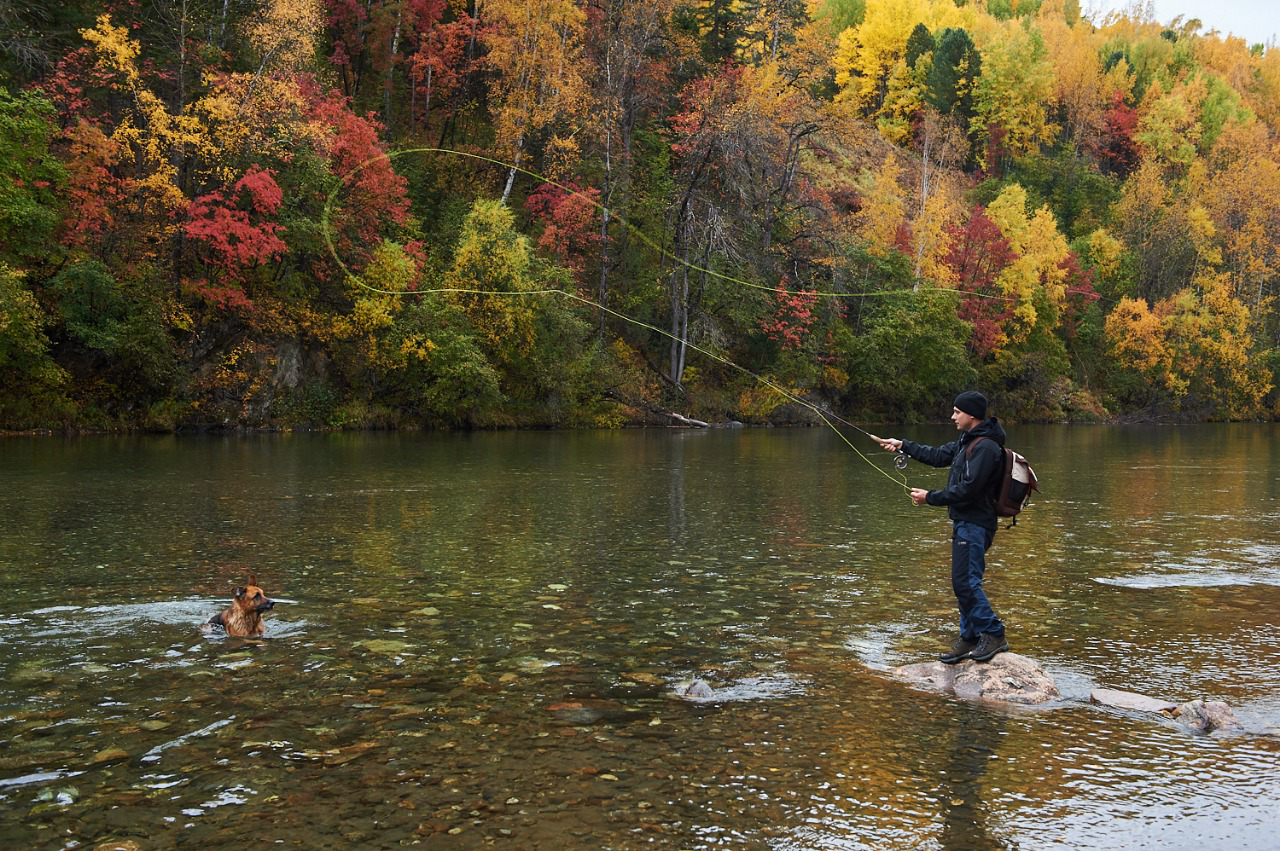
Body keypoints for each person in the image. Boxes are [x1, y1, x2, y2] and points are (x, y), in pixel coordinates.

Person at [876, 391, 1009, 664]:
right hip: (965, 523)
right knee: (963, 583)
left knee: (965, 583)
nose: (952, 416)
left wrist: (930, 497)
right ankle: (970, 638)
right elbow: (937, 455)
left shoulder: (985, 447)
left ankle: (994, 634)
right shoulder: (967, 441)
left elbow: (969, 490)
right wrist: (903, 445)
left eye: (957, 412)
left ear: (972, 415)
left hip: (975, 524)